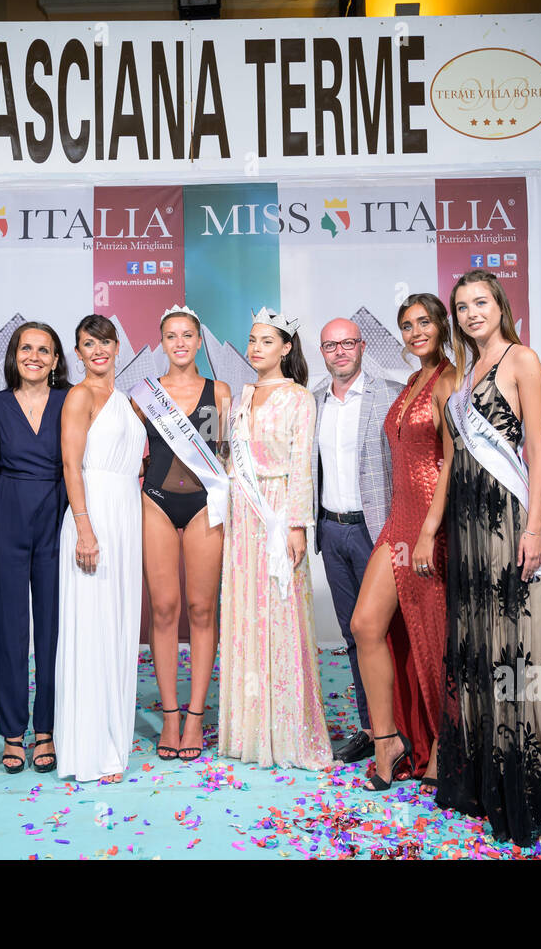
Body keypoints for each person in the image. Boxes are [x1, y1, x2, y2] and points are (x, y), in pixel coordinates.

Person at [437, 269, 541, 845]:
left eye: (481, 302)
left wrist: (533, 529)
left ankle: (528, 783)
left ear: (500, 304)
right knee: (481, 638)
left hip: (506, 516)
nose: (472, 313)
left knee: (518, 643)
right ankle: (487, 774)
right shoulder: (464, 372)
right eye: (462, 306)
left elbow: (538, 447)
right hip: (468, 519)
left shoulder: (521, 360)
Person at [217, 308, 332, 770]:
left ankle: (286, 730)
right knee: (245, 610)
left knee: (282, 613)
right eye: (252, 339)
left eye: (267, 340)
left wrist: (298, 524)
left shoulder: (300, 398)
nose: (256, 348)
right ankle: (248, 731)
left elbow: (303, 464)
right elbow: (228, 457)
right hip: (243, 511)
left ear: (286, 348)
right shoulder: (241, 397)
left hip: (279, 508)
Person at [350, 295, 457, 791]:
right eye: (406, 326)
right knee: (365, 624)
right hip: (399, 519)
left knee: (430, 641)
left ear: (441, 325)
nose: (415, 332)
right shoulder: (413, 380)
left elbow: (453, 461)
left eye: (424, 322)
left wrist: (431, 532)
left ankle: (441, 744)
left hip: (431, 527)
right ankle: (388, 740)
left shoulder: (450, 379)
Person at [129, 306, 230, 763]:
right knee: (164, 608)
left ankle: (194, 715)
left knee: (201, 609)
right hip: (156, 503)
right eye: (172, 336)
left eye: (188, 334)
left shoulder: (221, 392)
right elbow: (135, 456)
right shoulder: (142, 395)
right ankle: (170, 713)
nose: (181, 342)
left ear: (199, 341)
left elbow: (229, 457)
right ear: (162, 342)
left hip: (205, 504)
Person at [54, 314, 147, 783]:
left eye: (105, 342)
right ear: (77, 352)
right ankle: (91, 749)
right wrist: (86, 530)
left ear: (117, 346)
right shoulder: (79, 396)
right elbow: (72, 466)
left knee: (118, 626)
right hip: (92, 517)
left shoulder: (128, 401)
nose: (98, 351)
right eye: (88, 344)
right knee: (92, 628)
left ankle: (114, 737)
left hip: (126, 517)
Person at [0, 323, 70, 774]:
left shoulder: (71, 402)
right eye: (26, 348)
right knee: (6, 628)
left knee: (54, 629)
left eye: (44, 350)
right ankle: (12, 732)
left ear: (56, 360)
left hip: (57, 518)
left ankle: (46, 729)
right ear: (14, 355)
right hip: (4, 518)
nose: (34, 356)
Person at [311, 318, 403, 764]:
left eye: (348, 343)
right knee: (352, 635)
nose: (340, 351)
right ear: (321, 351)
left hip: (376, 531)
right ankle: (371, 728)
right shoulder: (313, 403)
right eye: (331, 345)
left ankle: (402, 730)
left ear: (363, 346)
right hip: (331, 529)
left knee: (385, 632)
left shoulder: (389, 394)